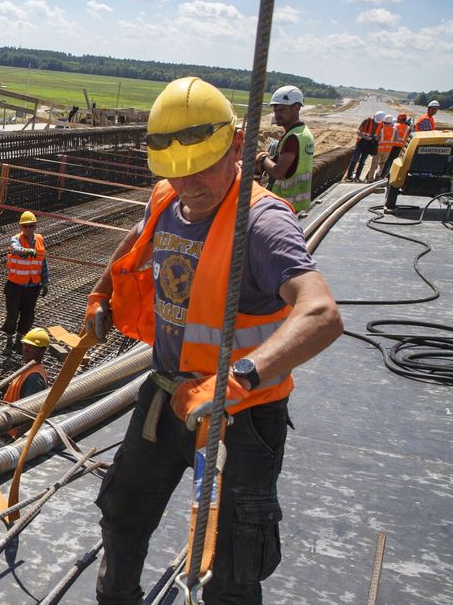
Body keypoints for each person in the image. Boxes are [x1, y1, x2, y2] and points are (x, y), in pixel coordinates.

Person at [86, 77, 343, 603]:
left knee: (230, 566)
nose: (189, 183)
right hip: (166, 396)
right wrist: (100, 290)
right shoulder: (167, 196)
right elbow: (137, 239)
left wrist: (236, 381)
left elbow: (322, 314)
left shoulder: (262, 223)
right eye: (175, 171)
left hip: (243, 417)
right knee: (123, 515)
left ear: (237, 144)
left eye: (202, 165)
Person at [256, 85, 315, 214]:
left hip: (284, 205)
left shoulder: (293, 138)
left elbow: (278, 173)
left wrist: (263, 158)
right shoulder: (305, 133)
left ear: (296, 108)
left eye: (282, 110)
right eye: (275, 110)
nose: (277, 114)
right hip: (298, 205)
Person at [2, 211, 49, 354]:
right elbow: (16, 249)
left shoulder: (40, 239)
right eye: (25, 226)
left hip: (32, 286)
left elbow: (43, 262)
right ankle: (9, 342)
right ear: (20, 227)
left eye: (31, 226)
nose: (28, 229)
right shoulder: (16, 239)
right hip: (15, 286)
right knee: (12, 315)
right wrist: (27, 250)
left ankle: (18, 341)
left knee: (28, 315)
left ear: (35, 226)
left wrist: (45, 281)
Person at [2, 328, 52, 438]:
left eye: (32, 347)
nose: (26, 349)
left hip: (14, 433)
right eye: (25, 345)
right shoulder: (28, 369)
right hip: (8, 427)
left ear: (42, 351)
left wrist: (17, 440)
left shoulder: (34, 378)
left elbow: (31, 414)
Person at [346, 110, 384, 181]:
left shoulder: (381, 124)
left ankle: (357, 177)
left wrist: (376, 138)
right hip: (361, 143)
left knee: (362, 161)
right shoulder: (367, 121)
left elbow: (379, 134)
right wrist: (366, 137)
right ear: (374, 116)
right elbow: (358, 131)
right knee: (355, 160)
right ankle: (349, 176)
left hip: (369, 145)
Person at [380, 112, 411, 180]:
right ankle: (390, 177)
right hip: (400, 148)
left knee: (387, 161)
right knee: (394, 163)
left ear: (398, 119)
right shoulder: (408, 128)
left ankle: (382, 175)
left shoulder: (394, 125)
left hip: (391, 146)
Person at [370, 114, 398, 180]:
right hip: (388, 149)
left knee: (374, 164)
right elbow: (396, 139)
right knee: (382, 164)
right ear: (391, 122)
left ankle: (370, 178)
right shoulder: (395, 130)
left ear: (384, 121)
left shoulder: (381, 129)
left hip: (379, 149)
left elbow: (376, 138)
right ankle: (378, 175)